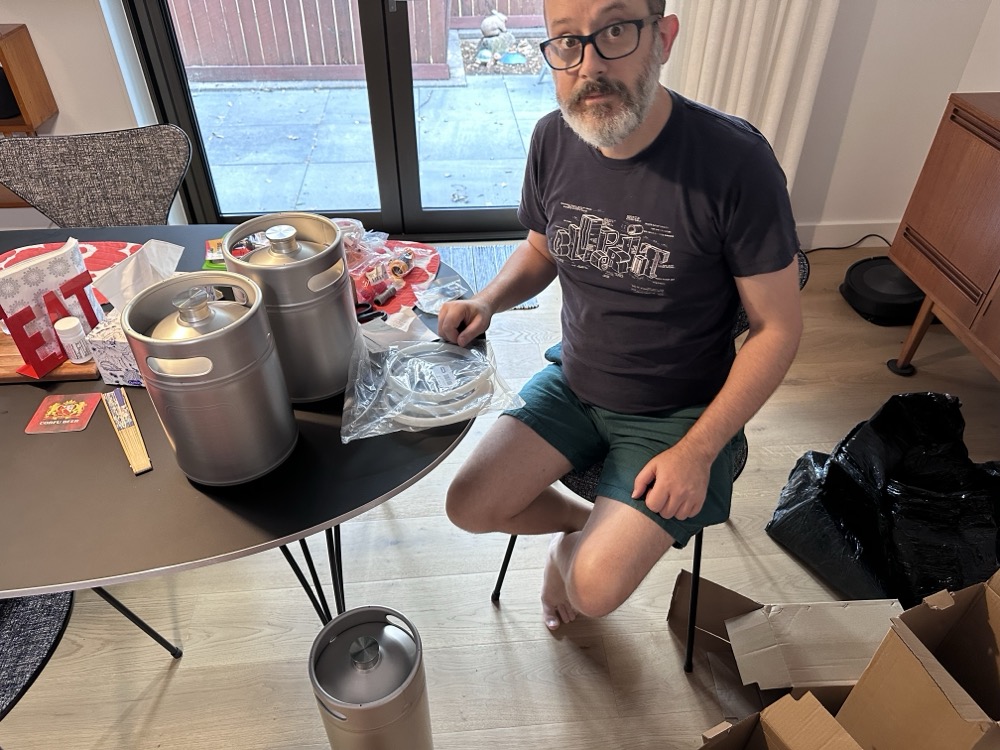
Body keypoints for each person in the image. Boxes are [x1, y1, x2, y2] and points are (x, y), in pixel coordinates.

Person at [438, 0, 803, 631]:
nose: (590, 66)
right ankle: (590, 524)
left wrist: (698, 451)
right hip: (576, 383)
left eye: (614, 32)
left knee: (592, 590)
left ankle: (586, 548)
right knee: (467, 505)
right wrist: (486, 299)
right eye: (566, 43)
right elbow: (541, 247)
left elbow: (778, 328)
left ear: (663, 37)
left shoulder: (734, 162)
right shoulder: (554, 137)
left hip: (680, 413)